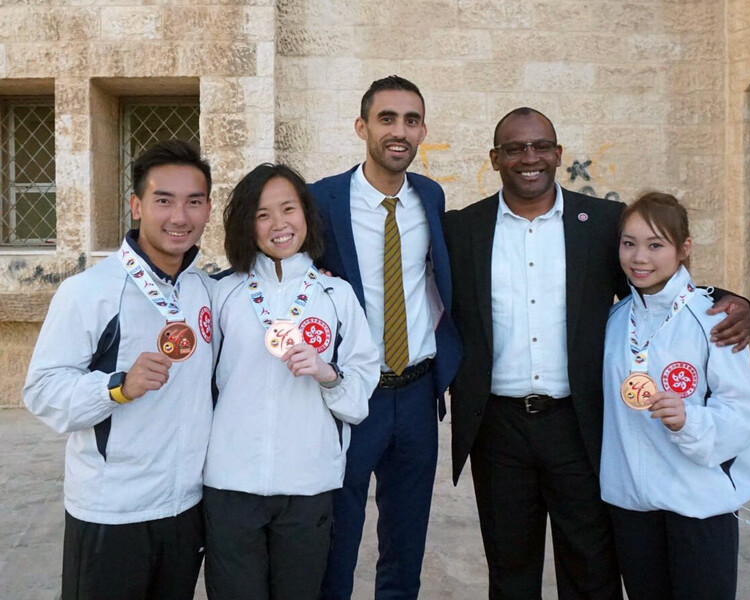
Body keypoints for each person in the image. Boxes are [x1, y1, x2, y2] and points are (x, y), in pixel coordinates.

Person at [443, 107, 750, 600]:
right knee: (509, 568)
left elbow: (655, 276)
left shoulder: (604, 223)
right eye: (515, 148)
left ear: (558, 154)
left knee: (591, 567)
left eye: (541, 146)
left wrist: (735, 302)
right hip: (498, 431)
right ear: (495, 158)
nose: (530, 158)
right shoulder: (461, 229)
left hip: (580, 426)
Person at [23, 140, 214, 600]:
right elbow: (42, 390)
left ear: (208, 208)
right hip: (111, 512)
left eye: (194, 202)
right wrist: (117, 387)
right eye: (163, 200)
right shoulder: (89, 291)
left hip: (185, 509)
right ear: (136, 205)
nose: (179, 217)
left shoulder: (205, 289)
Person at [311, 75, 461, 600]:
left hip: (419, 394)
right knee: (338, 531)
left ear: (422, 131)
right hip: (352, 395)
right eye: (387, 118)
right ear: (362, 127)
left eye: (411, 120)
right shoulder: (320, 200)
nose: (400, 131)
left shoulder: (431, 196)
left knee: (406, 536)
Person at [202, 163, 379, 600]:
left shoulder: (336, 295)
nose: (279, 224)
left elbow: (359, 394)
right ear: (246, 224)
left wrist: (327, 374)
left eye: (288, 209)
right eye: (263, 214)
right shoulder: (221, 293)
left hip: (309, 485)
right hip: (230, 484)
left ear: (307, 215)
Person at [601, 192, 750, 600]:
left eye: (656, 245)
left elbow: (745, 415)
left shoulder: (717, 319)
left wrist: (689, 420)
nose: (640, 258)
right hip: (632, 508)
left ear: (684, 248)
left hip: (698, 507)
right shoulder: (614, 321)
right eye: (629, 243)